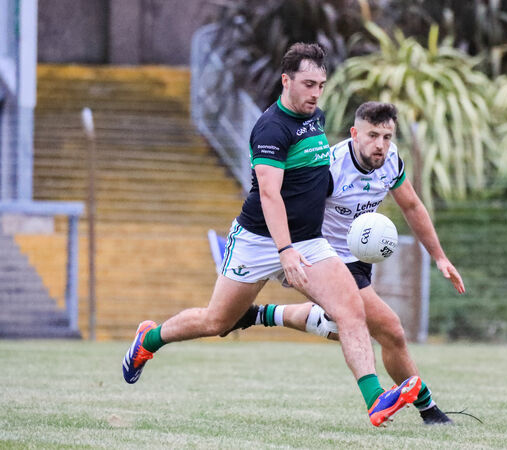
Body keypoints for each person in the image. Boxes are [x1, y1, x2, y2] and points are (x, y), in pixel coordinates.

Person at [122, 43, 421, 428]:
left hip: (309, 241)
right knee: (218, 322)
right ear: (286, 81)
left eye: (321, 85)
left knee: (351, 312)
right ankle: (149, 340)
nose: (316, 93)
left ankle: (375, 400)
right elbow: (269, 194)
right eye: (308, 84)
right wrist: (284, 251)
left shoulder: (315, 118)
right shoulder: (271, 129)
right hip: (259, 240)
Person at [225, 101, 465, 424]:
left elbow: (411, 205)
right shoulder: (330, 168)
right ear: (354, 133)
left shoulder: (390, 160)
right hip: (325, 255)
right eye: (372, 135)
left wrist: (439, 256)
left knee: (342, 329)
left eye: (387, 137)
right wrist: (286, 250)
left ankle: (260, 314)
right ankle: (429, 409)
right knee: (390, 329)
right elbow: (292, 205)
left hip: (361, 259)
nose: (380, 144)